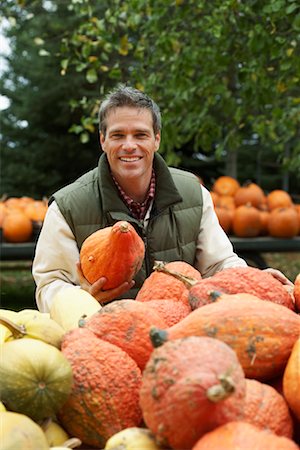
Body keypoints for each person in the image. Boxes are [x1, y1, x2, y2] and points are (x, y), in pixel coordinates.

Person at [32, 84, 292, 313]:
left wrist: (252, 282)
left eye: (140, 135)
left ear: (156, 139)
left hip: (182, 329)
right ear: (103, 140)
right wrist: (82, 299)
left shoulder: (193, 194)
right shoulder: (68, 207)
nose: (129, 145)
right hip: (107, 334)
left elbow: (219, 263)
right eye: (118, 135)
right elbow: (49, 284)